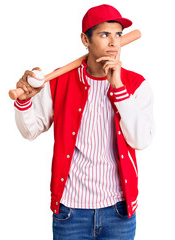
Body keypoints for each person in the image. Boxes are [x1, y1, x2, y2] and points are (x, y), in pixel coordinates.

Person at [14, 4, 155, 240]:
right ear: (85, 40)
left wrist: (119, 88)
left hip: (119, 212)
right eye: (104, 34)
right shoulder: (60, 81)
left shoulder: (135, 84)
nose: (114, 43)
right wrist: (25, 102)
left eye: (118, 35)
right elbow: (30, 131)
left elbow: (141, 140)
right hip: (70, 212)